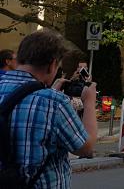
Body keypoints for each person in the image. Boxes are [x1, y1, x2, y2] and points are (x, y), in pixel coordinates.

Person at [0, 30, 97, 188]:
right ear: (52, 64)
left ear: (18, 59)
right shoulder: (54, 102)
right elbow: (86, 148)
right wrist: (89, 103)